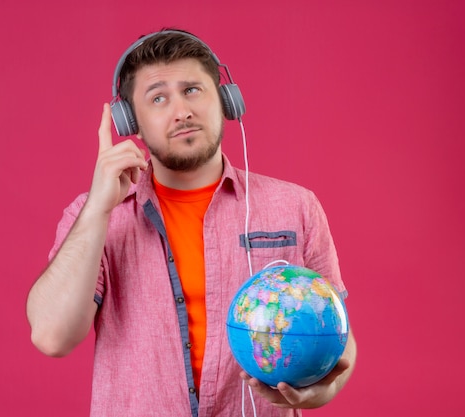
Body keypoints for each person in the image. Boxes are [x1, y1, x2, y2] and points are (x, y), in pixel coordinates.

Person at [26, 29, 357, 417]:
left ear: (225, 101)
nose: (181, 110)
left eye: (193, 90)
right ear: (131, 122)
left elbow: (338, 342)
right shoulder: (94, 216)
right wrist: (98, 208)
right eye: (158, 98)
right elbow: (52, 337)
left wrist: (315, 392)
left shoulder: (295, 206)